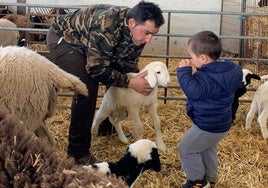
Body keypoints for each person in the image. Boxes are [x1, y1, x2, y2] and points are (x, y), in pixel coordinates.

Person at [46, 1, 165, 165]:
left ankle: (107, 126)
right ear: (132, 23)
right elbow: (96, 68)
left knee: (119, 75)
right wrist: (130, 82)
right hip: (66, 40)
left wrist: (131, 79)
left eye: (153, 34)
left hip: (91, 44)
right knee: (86, 87)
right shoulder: (106, 24)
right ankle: (78, 153)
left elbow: (126, 65)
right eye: (146, 33)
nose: (149, 39)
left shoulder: (138, 35)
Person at [176, 31, 242, 188]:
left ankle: (197, 181)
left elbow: (194, 92)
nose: (190, 59)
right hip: (221, 123)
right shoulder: (228, 71)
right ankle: (210, 178)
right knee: (206, 148)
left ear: (204, 58)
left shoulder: (207, 78)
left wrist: (184, 72)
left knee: (186, 148)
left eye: (191, 56)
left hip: (208, 125)